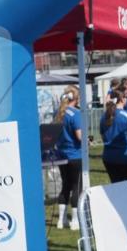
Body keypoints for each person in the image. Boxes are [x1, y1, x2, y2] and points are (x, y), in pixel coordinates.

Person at [55, 86, 83, 230]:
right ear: (76, 98)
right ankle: (75, 221)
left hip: (61, 155)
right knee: (76, 186)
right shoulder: (75, 114)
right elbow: (79, 136)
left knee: (65, 186)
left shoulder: (58, 112)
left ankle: (61, 220)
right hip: (74, 155)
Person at [100, 88, 127, 183]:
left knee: (116, 187)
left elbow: (102, 136)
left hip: (108, 157)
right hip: (125, 156)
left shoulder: (104, 116)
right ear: (122, 99)